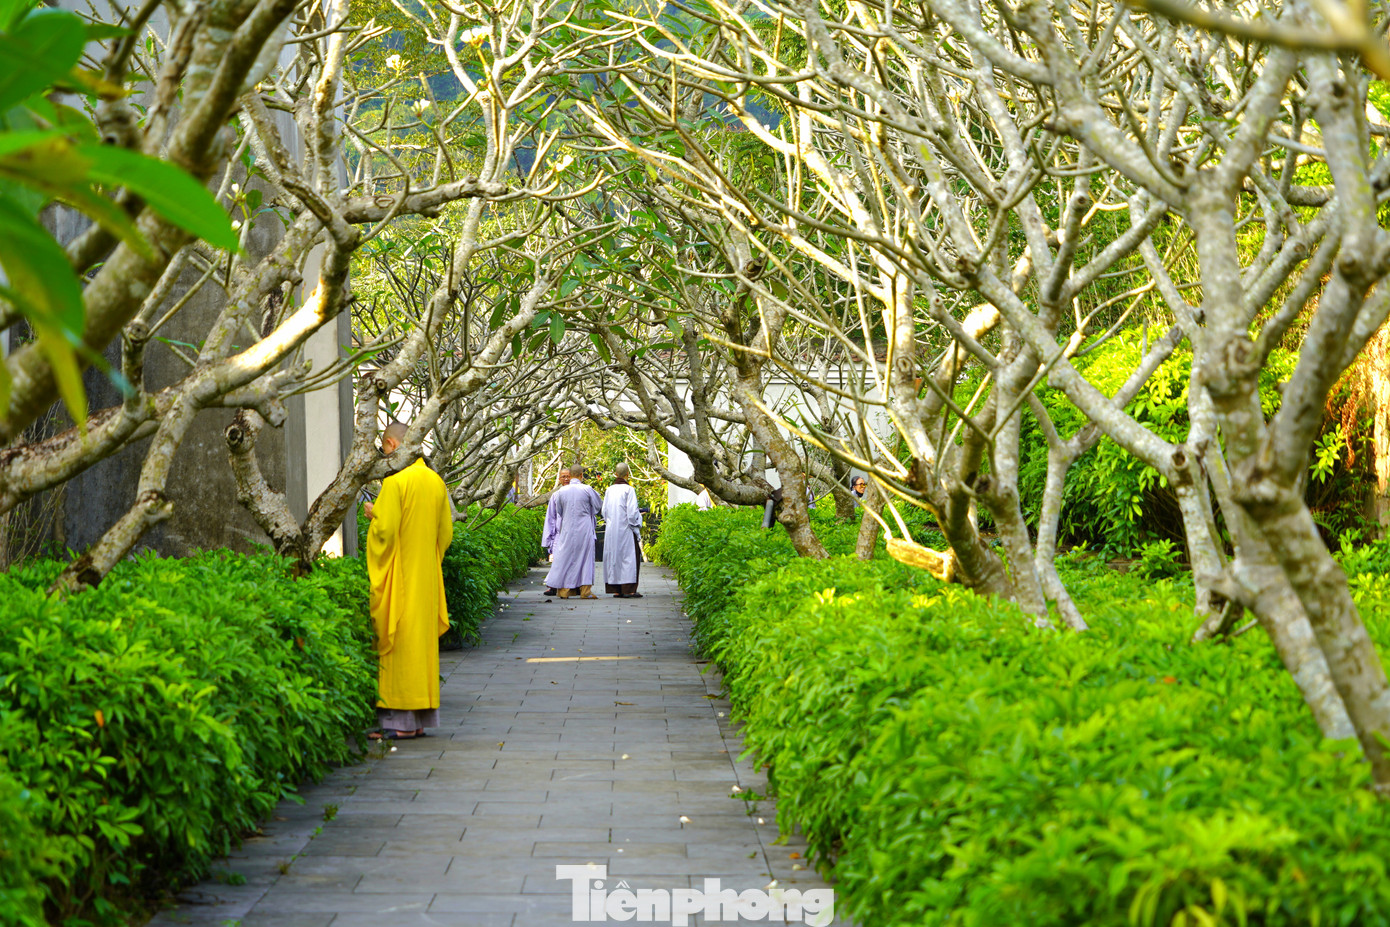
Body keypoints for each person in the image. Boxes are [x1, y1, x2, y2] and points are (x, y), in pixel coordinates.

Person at [363, 421, 453, 741]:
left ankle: (398, 724)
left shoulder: (397, 482)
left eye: (385, 449)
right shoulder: (435, 481)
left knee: (399, 644)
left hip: (401, 578)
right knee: (422, 648)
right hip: (426, 578)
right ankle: (419, 721)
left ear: (391, 444)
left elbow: (385, 532)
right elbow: (445, 535)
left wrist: (373, 514)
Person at [542, 464, 603, 600]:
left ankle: (564, 591)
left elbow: (560, 511)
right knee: (586, 559)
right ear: (581, 475)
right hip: (585, 528)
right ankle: (585, 591)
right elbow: (598, 506)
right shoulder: (587, 489)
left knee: (565, 557)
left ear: (570, 475)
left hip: (567, 528)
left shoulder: (561, 492)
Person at [602, 463, 644, 598]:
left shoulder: (609, 490)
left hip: (611, 529)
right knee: (629, 558)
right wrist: (638, 523)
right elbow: (632, 513)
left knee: (614, 558)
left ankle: (616, 589)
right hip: (626, 529)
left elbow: (604, 511)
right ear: (627, 475)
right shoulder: (629, 490)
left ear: (615, 474)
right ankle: (629, 590)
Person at [541, 469, 573, 596]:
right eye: (563, 477)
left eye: (568, 476)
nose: (566, 479)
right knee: (557, 561)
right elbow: (551, 518)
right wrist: (549, 538)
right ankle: (552, 586)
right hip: (559, 534)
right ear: (559, 479)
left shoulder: (579, 493)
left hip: (573, 533)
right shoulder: (556, 495)